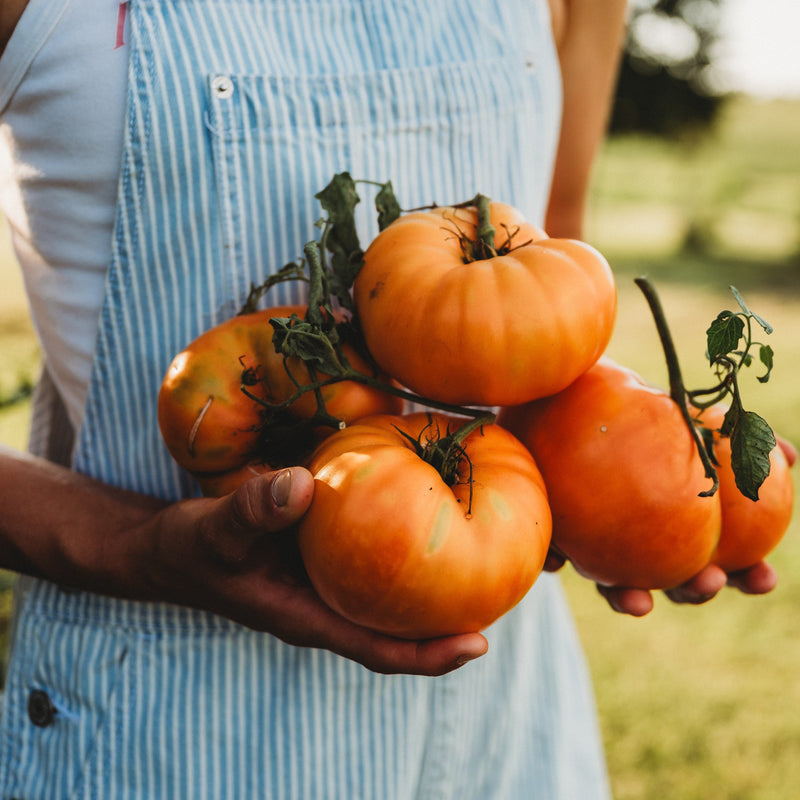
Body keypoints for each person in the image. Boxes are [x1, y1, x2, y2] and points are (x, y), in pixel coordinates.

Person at [0, 1, 791, 797]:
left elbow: (553, 260)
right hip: (159, 717)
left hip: (500, 707)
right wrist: (136, 547)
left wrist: (635, 475)